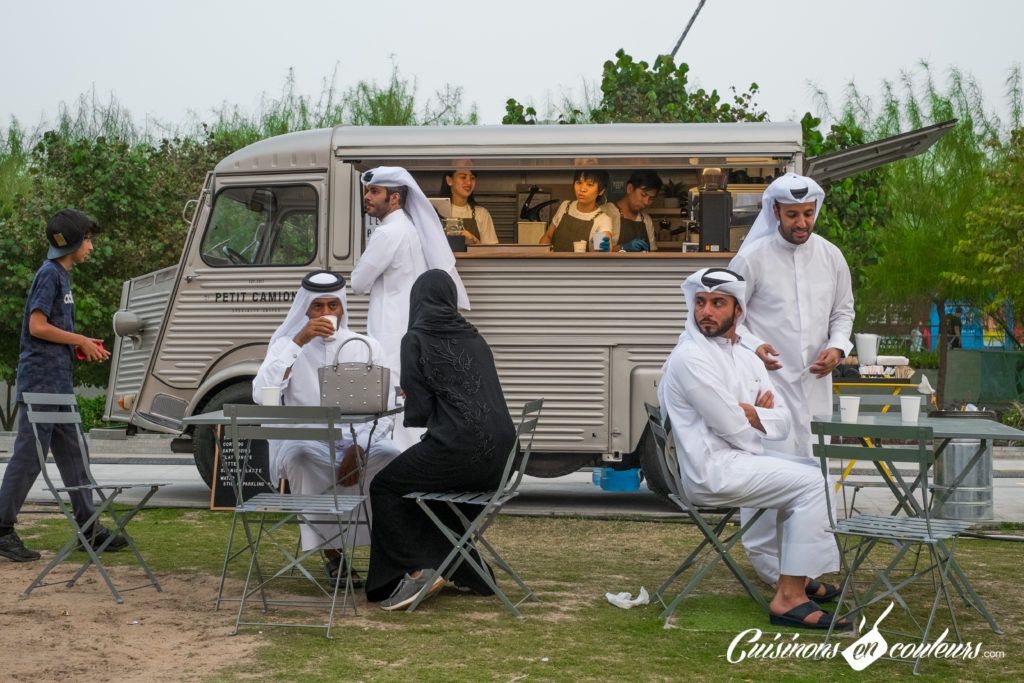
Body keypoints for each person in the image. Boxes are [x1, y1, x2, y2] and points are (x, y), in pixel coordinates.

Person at [658, 267, 845, 630]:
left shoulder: (743, 355)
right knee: (814, 485)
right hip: (711, 471)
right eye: (700, 303)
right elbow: (733, 428)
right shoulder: (690, 358)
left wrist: (747, 413)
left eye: (717, 303)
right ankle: (789, 597)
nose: (705, 312)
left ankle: (798, 575)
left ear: (738, 311)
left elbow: (783, 420)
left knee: (814, 471)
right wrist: (752, 416)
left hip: (737, 459)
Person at [728, 172, 854, 588]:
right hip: (768, 389)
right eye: (793, 214)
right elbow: (730, 318)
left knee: (817, 480)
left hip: (815, 388)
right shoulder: (753, 258)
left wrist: (837, 347)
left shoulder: (832, 256)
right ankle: (769, 570)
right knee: (769, 478)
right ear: (775, 213)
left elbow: (844, 312)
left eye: (808, 213)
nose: (802, 222)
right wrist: (755, 345)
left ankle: (806, 573)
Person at [366, 270, 516, 611]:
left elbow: (419, 413)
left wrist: (411, 396)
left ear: (416, 301)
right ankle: (469, 571)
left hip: (458, 450)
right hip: (504, 458)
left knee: (386, 487)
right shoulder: (475, 337)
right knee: (435, 498)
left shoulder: (415, 339)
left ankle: (417, 571)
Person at [252, 270, 400, 584]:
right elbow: (261, 392)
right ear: (305, 309)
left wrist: (359, 446)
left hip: (359, 440)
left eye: (332, 306)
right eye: (317, 307)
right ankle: (334, 555)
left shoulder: (366, 346)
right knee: (302, 457)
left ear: (342, 308)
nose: (326, 314)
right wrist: (299, 341)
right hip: (307, 440)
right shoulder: (285, 345)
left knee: (388, 454)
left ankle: (387, 555)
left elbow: (387, 403)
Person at [0, 210, 126, 562]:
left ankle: (89, 526)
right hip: (40, 382)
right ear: (71, 242)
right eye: (87, 239)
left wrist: (79, 344)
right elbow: (37, 326)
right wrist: (79, 339)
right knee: (29, 458)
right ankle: (2, 529)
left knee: (75, 453)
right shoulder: (49, 275)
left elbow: (51, 332)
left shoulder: (62, 276)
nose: (91, 246)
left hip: (57, 382)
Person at [350, 166, 470, 449]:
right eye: (367, 190)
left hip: (391, 334)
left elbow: (357, 283)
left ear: (394, 198)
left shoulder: (388, 233)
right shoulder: (408, 228)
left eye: (374, 192)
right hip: (409, 330)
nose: (367, 197)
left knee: (395, 406)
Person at [539, 169, 614, 252]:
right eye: (579, 183)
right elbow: (548, 236)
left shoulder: (602, 220)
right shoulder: (565, 206)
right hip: (555, 264)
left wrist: (604, 250)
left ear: (601, 191)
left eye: (589, 185)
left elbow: (606, 246)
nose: (582, 189)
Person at [603, 170, 662, 252]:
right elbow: (597, 253)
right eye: (643, 195)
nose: (646, 202)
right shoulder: (605, 213)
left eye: (651, 198)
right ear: (630, 188)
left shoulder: (646, 220)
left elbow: (652, 252)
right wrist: (623, 247)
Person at [438, 168, 498, 245]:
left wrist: (475, 241)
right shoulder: (437, 212)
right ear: (449, 180)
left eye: (472, 178)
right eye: (463, 177)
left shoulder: (481, 213)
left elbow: (491, 252)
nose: (469, 182)